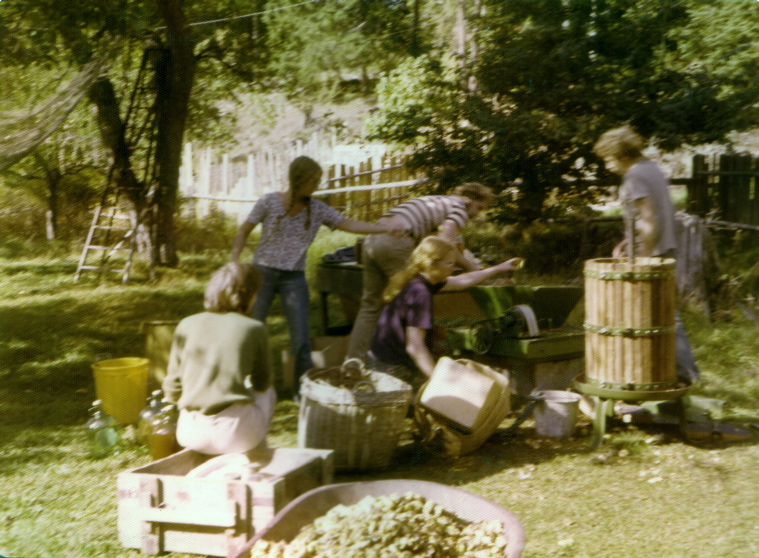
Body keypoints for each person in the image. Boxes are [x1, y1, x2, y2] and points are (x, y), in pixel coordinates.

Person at [230, 156, 405, 394]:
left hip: (294, 279)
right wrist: (233, 262)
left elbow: (349, 225)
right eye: (313, 180)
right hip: (263, 274)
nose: (316, 185)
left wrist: (385, 228)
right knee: (251, 330)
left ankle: (303, 391)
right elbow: (243, 231)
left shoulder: (318, 209)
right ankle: (240, 383)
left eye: (318, 181)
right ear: (298, 179)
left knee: (301, 339)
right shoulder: (269, 202)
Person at [593, 125, 699, 384]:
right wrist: (629, 241)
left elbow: (649, 218)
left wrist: (643, 257)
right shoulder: (650, 168)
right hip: (664, 247)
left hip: (655, 253)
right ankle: (657, 371)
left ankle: (684, 373)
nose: (607, 166)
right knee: (660, 313)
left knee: (661, 314)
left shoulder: (634, 176)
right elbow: (648, 216)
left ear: (621, 154)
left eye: (608, 159)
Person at [346, 183, 494, 362]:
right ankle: (404, 362)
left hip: (372, 241)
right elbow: (444, 244)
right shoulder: (459, 207)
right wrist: (470, 267)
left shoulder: (437, 201)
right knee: (413, 299)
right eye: (479, 207)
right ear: (468, 199)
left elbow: (431, 242)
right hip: (396, 241)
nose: (477, 213)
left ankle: (353, 362)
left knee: (370, 306)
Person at [369, 236, 524, 391]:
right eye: (449, 263)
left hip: (381, 358)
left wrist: (498, 268)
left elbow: (460, 281)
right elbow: (415, 347)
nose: (453, 268)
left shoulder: (419, 280)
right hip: (392, 368)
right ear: (432, 264)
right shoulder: (421, 294)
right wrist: (438, 381)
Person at [162, 262, 276, 454]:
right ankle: (257, 454)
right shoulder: (254, 328)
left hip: (190, 433)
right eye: (255, 293)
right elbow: (262, 383)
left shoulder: (186, 324)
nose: (257, 299)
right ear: (246, 294)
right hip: (235, 435)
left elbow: (172, 389)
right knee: (268, 391)